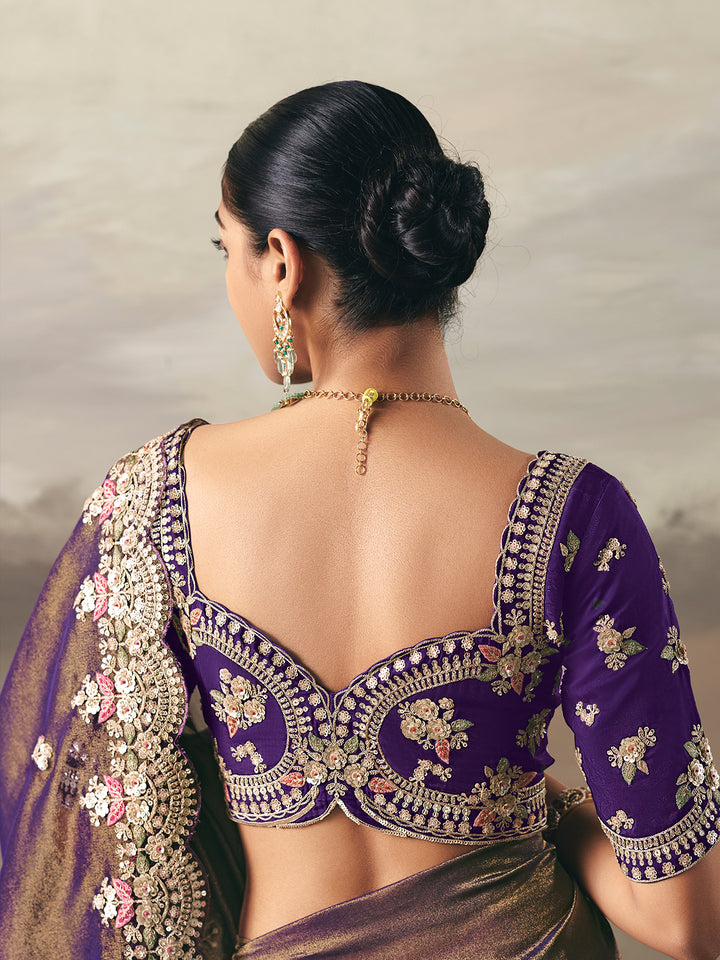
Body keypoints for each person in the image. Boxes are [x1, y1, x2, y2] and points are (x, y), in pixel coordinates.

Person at [1, 80, 719, 960]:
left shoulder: (161, 494)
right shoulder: (577, 513)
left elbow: (79, 815)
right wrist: (556, 811)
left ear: (280, 261)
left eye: (223, 250)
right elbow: (684, 920)